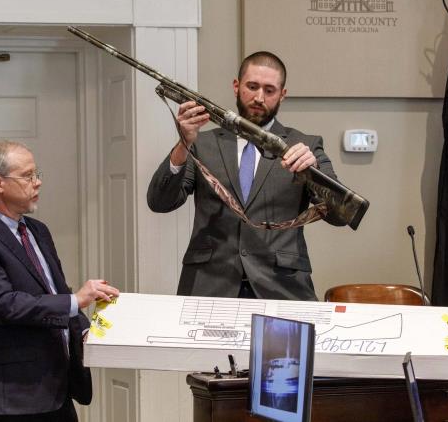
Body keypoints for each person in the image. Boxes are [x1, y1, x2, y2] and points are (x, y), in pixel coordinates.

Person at [147, 51, 344, 300]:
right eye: (252, 87)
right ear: (236, 86)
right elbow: (159, 202)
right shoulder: (201, 144)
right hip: (209, 286)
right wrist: (182, 145)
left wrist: (312, 173)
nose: (259, 97)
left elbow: (341, 216)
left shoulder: (305, 146)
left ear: (282, 94)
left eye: (269, 90)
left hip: (281, 288)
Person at [0, 141, 119, 421]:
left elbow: (55, 291)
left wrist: (85, 331)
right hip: (15, 395)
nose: (38, 182)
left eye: (37, 174)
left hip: (60, 386)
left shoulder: (38, 230)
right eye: (28, 176)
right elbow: (6, 305)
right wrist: (77, 300)